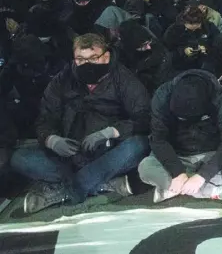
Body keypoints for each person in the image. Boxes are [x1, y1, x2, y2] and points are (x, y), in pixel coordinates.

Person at [10, 33, 150, 214]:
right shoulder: (62, 80)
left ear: (105, 56)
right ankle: (102, 183)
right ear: (74, 60)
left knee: (139, 145)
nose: (87, 64)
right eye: (80, 59)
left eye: (93, 58)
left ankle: (68, 189)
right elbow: (45, 118)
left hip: (108, 151)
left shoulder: (123, 79)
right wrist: (51, 140)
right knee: (19, 158)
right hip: (68, 154)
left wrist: (110, 132)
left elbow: (144, 117)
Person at [138, 70, 222, 203]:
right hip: (175, 154)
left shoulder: (219, 98)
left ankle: (172, 188)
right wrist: (177, 172)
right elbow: (158, 140)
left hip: (210, 153)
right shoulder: (162, 96)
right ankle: (212, 191)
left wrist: (203, 175)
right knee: (145, 168)